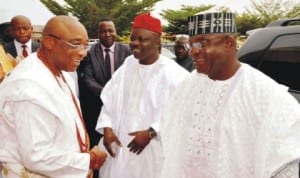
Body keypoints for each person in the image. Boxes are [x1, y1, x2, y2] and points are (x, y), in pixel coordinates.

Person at [159, 11, 300, 178]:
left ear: (229, 43)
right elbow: (170, 138)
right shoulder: (187, 86)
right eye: (191, 44)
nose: (193, 52)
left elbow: (284, 165)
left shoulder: (267, 97)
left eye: (202, 43)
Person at [0, 15, 107, 178]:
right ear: (50, 42)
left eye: (85, 46)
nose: (83, 53)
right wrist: (88, 161)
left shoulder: (61, 72)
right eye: (76, 44)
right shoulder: (28, 87)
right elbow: (37, 157)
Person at [95, 13, 189, 178]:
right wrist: (107, 128)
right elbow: (109, 98)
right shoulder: (128, 64)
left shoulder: (175, 75)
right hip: (119, 147)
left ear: (157, 42)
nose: (134, 44)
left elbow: (181, 113)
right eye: (132, 39)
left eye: (141, 39)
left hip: (151, 151)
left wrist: (151, 132)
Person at [78, 18, 131, 149]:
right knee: (99, 143)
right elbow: (88, 80)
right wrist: (108, 94)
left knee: (120, 142)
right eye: (103, 31)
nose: (107, 34)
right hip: (98, 105)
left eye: (110, 31)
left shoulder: (126, 51)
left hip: (122, 106)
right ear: (98, 34)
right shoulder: (90, 54)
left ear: (115, 32)